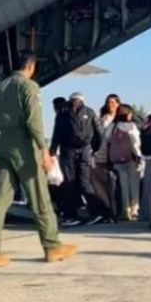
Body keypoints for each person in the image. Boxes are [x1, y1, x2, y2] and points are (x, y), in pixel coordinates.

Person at [0, 51, 77, 268]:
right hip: (25, 146)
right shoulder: (29, 86)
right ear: (31, 67)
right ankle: (52, 246)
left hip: (4, 145)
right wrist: (43, 149)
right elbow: (33, 120)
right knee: (40, 198)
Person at [51, 92, 105, 225]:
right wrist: (95, 149)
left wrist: (52, 150)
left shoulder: (63, 112)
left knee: (69, 183)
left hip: (68, 150)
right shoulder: (90, 112)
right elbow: (99, 133)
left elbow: (57, 133)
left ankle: (71, 215)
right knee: (85, 182)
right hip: (85, 150)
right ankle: (96, 212)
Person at [103, 104, 142, 220]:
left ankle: (125, 210)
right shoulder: (131, 126)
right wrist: (139, 155)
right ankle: (135, 209)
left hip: (117, 159)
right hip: (131, 158)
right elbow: (136, 142)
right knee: (134, 185)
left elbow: (107, 138)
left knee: (123, 185)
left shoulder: (113, 126)